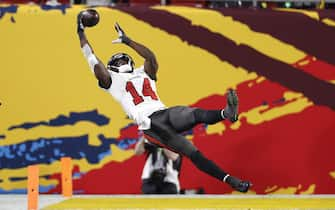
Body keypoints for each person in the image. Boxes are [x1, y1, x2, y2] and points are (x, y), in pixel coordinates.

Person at [76, 12, 251, 193]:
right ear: (112, 66)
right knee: (192, 152)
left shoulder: (143, 72)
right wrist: (81, 32)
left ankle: (226, 114)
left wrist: (128, 41)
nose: (121, 61)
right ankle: (231, 180)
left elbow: (151, 57)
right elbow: (92, 59)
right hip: (150, 124)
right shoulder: (111, 80)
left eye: (123, 58)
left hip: (163, 112)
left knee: (194, 114)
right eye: (118, 60)